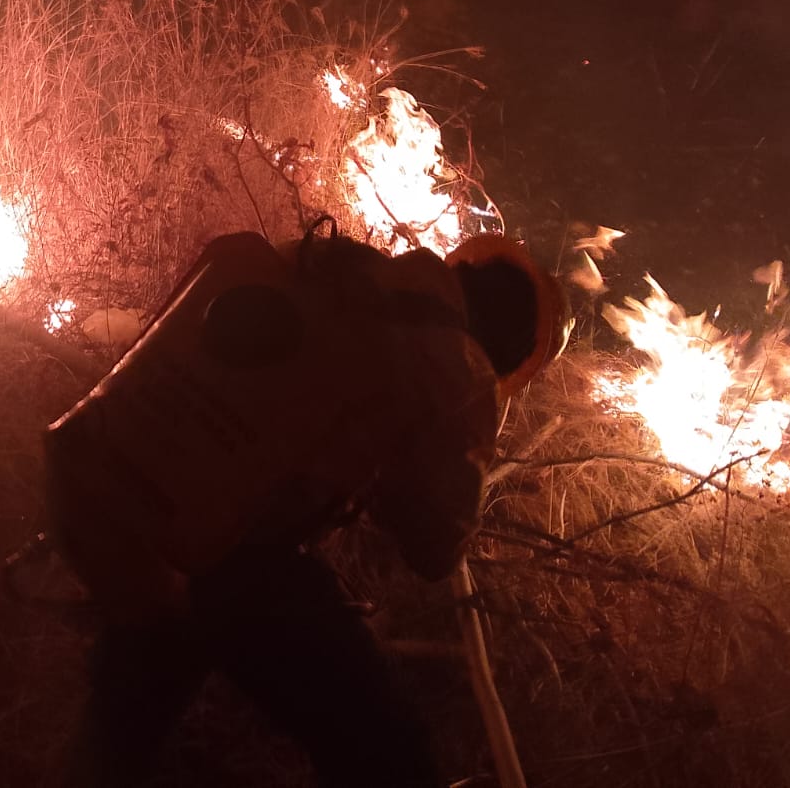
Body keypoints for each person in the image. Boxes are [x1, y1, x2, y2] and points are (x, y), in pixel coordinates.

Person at [44, 222, 568, 787]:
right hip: (217, 551)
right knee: (385, 752)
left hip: (107, 469)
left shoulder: (326, 260)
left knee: (129, 709)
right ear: (511, 351)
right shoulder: (457, 368)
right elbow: (436, 549)